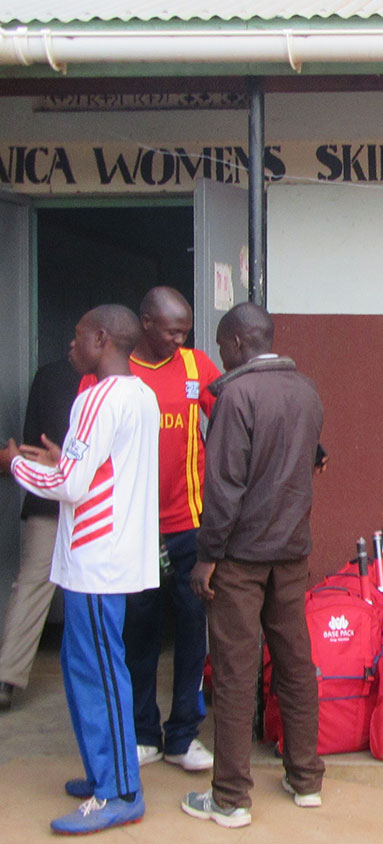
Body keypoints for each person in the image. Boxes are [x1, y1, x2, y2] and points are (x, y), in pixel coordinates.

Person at [0, 305, 160, 835]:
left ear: (101, 338)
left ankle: (120, 792)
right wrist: (57, 464)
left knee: (100, 676)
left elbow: (70, 486)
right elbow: (94, 475)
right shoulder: (141, 396)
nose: (70, 347)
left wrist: (16, 465)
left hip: (96, 562)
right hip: (112, 556)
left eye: (76, 337)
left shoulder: (94, 398)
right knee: (84, 669)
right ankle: (102, 773)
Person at [181, 302, 326, 830]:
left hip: (240, 558)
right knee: (294, 662)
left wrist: (207, 558)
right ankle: (306, 778)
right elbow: (310, 457)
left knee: (237, 672)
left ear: (240, 342)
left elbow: (223, 489)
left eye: (222, 345)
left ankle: (230, 798)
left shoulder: (236, 396)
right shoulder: (307, 391)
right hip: (291, 552)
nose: (220, 355)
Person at [123, 285, 221, 771]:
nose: (180, 340)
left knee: (190, 628)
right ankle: (144, 733)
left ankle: (183, 736)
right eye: (171, 331)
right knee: (138, 631)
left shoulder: (195, 366)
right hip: (135, 529)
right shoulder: (118, 369)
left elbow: (230, 414)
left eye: (186, 331)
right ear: (145, 323)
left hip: (190, 526)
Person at [0, 359, 80, 711]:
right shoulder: (128, 381)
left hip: (52, 495)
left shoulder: (51, 373)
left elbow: (31, 442)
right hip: (97, 502)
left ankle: (5, 678)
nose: (73, 345)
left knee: (31, 585)